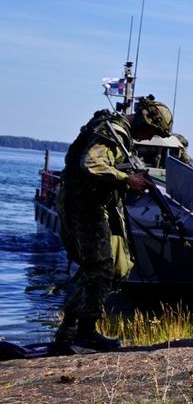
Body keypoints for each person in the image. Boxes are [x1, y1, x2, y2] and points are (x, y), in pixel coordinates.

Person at [55, 95, 174, 351]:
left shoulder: (120, 132)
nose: (149, 137)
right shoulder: (114, 130)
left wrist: (128, 179)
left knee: (98, 268)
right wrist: (126, 180)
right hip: (85, 207)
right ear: (145, 121)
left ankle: (68, 334)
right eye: (152, 132)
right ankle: (84, 332)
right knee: (100, 267)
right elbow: (91, 164)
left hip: (91, 205)